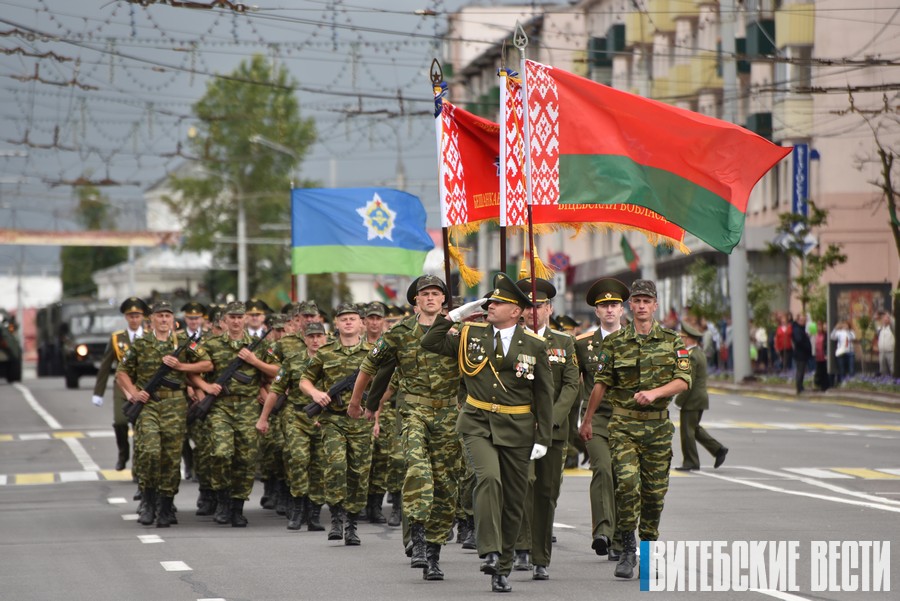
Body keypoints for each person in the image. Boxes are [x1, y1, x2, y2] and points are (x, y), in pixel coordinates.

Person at [421, 272, 554, 593]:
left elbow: (544, 397)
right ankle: (490, 549)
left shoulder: (535, 345)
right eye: (490, 302)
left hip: (518, 428)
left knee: (513, 500)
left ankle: (502, 565)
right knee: (489, 479)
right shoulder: (471, 334)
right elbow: (430, 341)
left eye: (499, 303)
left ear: (517, 311)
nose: (491, 306)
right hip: (477, 422)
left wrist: (543, 439)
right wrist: (456, 314)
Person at [349, 275, 462, 581]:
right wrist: (358, 403)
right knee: (418, 470)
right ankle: (419, 537)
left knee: (445, 483)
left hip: (449, 414)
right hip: (413, 409)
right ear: (416, 300)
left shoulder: (459, 332)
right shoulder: (399, 332)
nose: (430, 298)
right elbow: (371, 367)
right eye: (424, 293)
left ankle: (435, 553)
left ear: (443, 301)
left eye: (436, 293)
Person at [579, 279, 690, 581]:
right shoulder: (615, 343)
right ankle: (627, 548)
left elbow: (683, 380)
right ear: (631, 306)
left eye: (646, 301)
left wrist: (655, 393)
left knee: (654, 495)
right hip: (623, 425)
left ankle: (648, 548)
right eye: (637, 301)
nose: (641, 306)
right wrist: (587, 419)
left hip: (656, 426)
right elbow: (600, 384)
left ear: (655, 305)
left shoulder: (671, 340)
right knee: (627, 485)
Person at [512, 277, 579, 581]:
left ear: (550, 308)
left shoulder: (564, 343)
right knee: (523, 486)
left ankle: (541, 558)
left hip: (553, 430)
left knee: (546, 493)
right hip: (520, 427)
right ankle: (522, 548)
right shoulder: (512, 340)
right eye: (528, 306)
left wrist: (551, 418)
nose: (533, 311)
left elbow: (570, 385)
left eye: (539, 306)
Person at [188, 301, 279, 527]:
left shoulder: (258, 345)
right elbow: (191, 371)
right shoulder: (211, 344)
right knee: (221, 453)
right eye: (233, 317)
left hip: (248, 407)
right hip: (220, 406)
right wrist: (206, 387)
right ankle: (222, 500)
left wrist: (254, 361)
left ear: (245, 319)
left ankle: (237, 506)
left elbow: (278, 372)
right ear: (224, 321)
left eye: (240, 317)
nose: (237, 321)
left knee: (246, 458)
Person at [116, 301, 205, 527]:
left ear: (173, 320)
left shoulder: (184, 343)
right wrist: (134, 393)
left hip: (175, 406)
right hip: (149, 406)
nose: (164, 320)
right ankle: (147, 501)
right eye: (160, 315)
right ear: (152, 319)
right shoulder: (142, 343)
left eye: (167, 316)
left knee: (170, 458)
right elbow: (122, 372)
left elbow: (207, 364)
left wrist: (181, 367)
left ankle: (166, 505)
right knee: (149, 452)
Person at [299, 303, 373, 546]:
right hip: (332, 420)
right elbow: (305, 380)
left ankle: (352, 523)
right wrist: (315, 394)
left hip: (361, 421)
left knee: (359, 473)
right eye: (344, 319)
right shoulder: (326, 352)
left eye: (353, 318)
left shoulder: (372, 353)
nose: (349, 322)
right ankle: (337, 517)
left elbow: (386, 385)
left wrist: (376, 414)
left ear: (361, 323)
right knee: (336, 465)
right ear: (337, 324)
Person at [573, 277, 629, 562]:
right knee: (603, 469)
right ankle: (603, 532)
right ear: (596, 311)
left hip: (629, 419)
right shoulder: (582, 345)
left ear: (622, 310)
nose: (609, 310)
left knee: (624, 477)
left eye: (614, 305)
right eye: (604, 305)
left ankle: (621, 538)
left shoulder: (636, 342)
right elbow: (572, 383)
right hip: (597, 419)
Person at [92, 296, 150, 472]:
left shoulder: (150, 337)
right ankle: (123, 453)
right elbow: (105, 365)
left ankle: (137, 467)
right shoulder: (117, 338)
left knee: (140, 427)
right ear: (126, 317)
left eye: (137, 316)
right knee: (120, 422)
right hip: (122, 388)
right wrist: (98, 393)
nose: (134, 319)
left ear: (143, 317)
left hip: (143, 387)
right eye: (131, 316)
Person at [674, 322, 728, 471]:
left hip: (692, 400)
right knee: (694, 428)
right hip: (699, 398)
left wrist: (679, 401)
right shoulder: (699, 353)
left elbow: (687, 381)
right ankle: (718, 450)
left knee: (687, 432)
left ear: (689, 339)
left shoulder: (689, 356)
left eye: (682, 337)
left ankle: (691, 461)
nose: (680, 339)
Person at [876, 312, 895, 377]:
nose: (885, 320)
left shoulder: (893, 328)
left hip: (891, 352)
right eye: (883, 318)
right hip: (882, 352)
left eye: (886, 318)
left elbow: (893, 323)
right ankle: (885, 384)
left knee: (893, 369)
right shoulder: (880, 328)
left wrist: (889, 316)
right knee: (883, 370)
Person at [813, 320, 830, 391]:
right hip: (817, 356)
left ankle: (824, 386)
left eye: (820, 326)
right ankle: (817, 385)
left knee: (824, 371)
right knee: (818, 371)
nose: (819, 328)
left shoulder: (825, 335)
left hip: (824, 356)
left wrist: (826, 354)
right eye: (818, 327)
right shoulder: (815, 335)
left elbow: (825, 345)